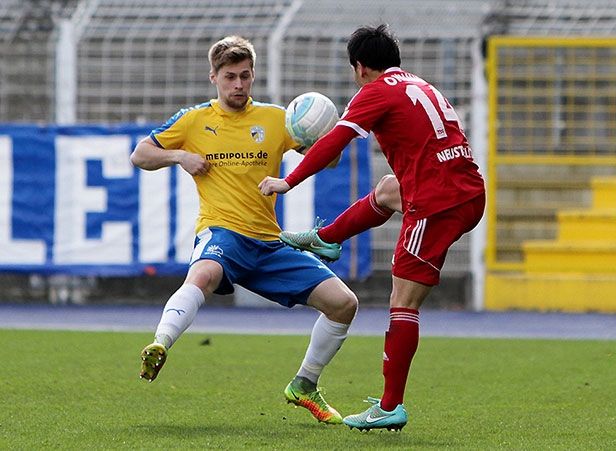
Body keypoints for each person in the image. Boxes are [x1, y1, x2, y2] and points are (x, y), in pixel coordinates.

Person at [259, 24, 486, 431]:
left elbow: (334, 142)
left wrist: (287, 181)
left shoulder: (375, 92)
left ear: (359, 67)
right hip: (465, 191)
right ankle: (327, 240)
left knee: (403, 301)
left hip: (437, 203)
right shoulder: (420, 85)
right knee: (386, 190)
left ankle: (389, 406)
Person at [130, 35, 358, 425]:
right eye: (230, 77)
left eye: (245, 76)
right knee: (204, 273)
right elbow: (141, 154)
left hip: (270, 243)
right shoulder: (194, 120)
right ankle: (160, 343)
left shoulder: (275, 119)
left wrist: (324, 137)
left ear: (253, 77)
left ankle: (304, 385)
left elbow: (330, 162)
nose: (238, 85)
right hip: (224, 233)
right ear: (214, 78)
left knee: (344, 304)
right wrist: (180, 155)